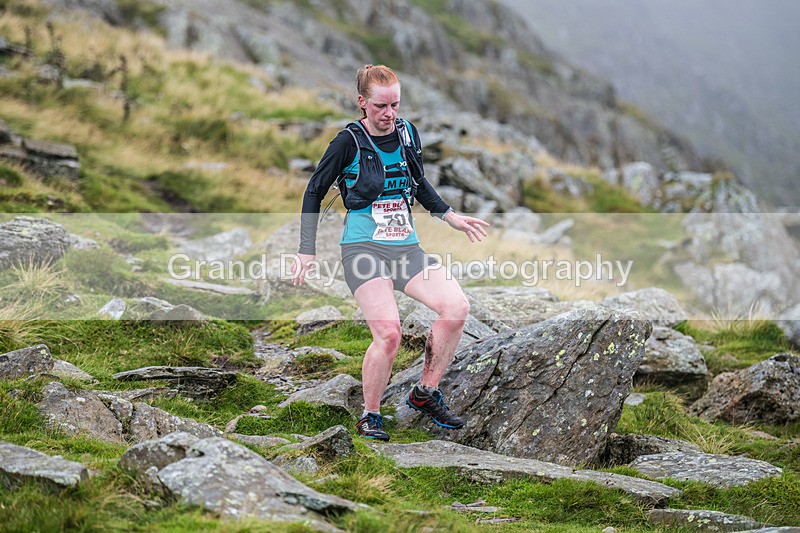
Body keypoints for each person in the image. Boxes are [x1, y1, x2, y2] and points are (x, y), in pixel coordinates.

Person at [292, 64, 489, 441]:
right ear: (362, 103)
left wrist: (450, 216)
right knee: (389, 333)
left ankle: (425, 393)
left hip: (406, 249)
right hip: (363, 250)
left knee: (456, 307)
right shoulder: (347, 142)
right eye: (381, 106)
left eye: (395, 105)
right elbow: (314, 191)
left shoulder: (407, 133)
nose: (389, 114)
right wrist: (306, 250)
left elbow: (419, 184)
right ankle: (371, 415)